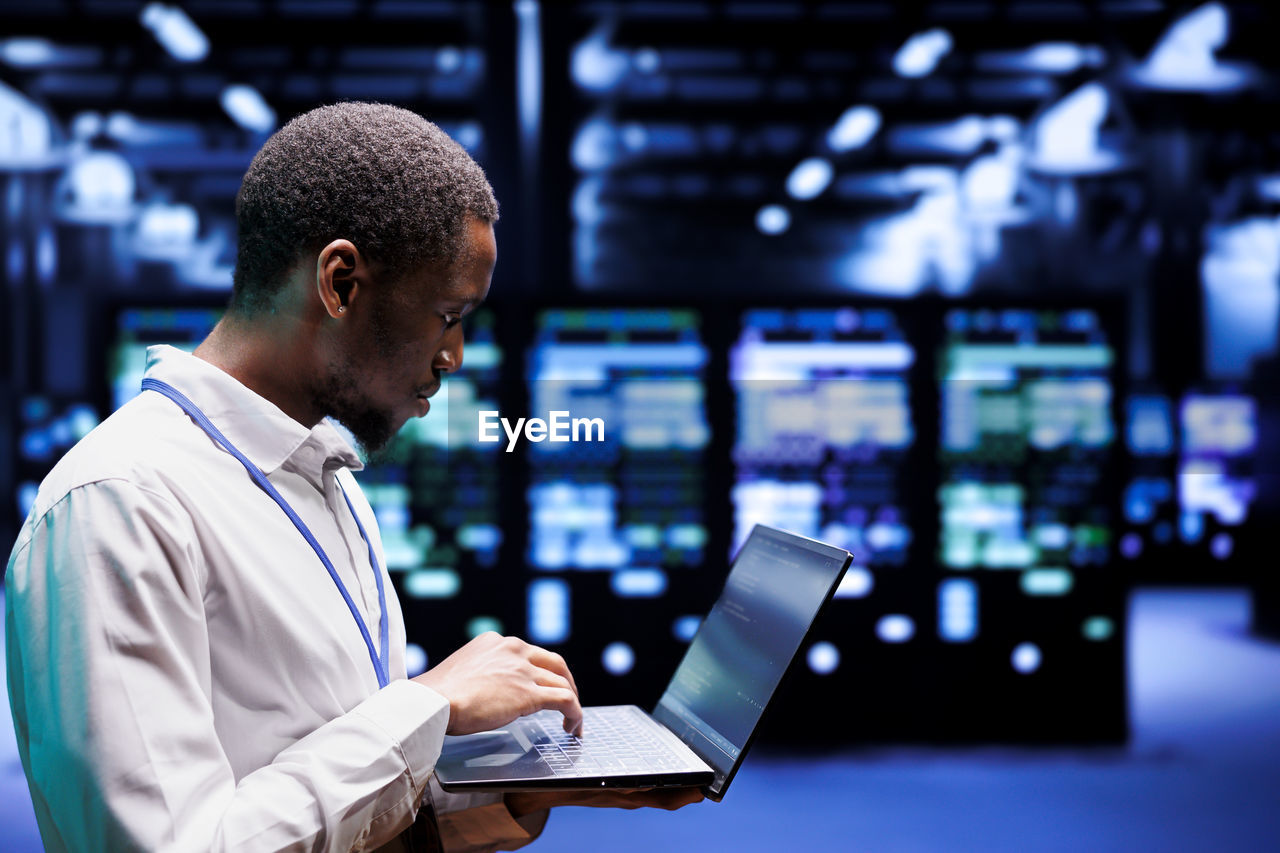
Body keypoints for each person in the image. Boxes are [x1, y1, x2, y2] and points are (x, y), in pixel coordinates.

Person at [4, 101, 700, 852]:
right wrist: (427, 705)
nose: (455, 355)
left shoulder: (329, 481)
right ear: (339, 282)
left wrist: (516, 788)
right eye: (447, 314)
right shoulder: (122, 502)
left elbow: (339, 799)